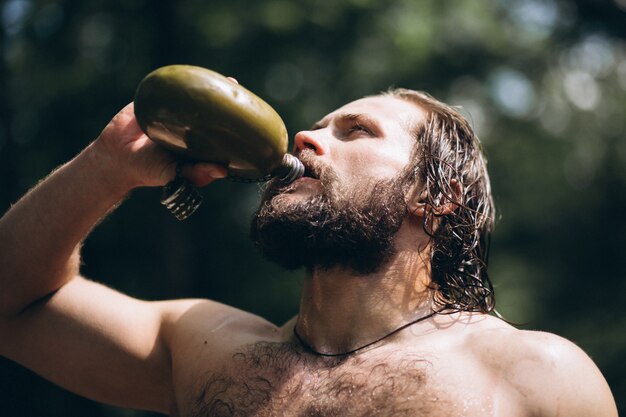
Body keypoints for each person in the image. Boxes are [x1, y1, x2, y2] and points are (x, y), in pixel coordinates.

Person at [0, 86, 618, 417]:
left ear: (436, 197)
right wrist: (109, 165)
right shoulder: (204, 346)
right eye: (317, 127)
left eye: (355, 131)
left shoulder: (538, 376)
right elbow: (11, 304)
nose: (305, 137)